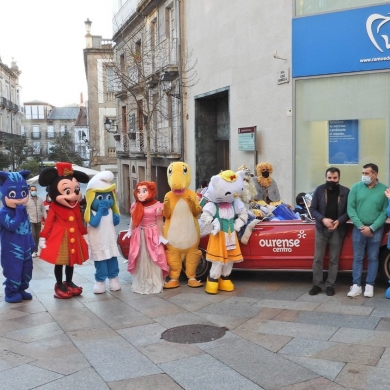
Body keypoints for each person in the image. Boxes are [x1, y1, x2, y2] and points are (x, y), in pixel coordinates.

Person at [38, 162, 90, 299]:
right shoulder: (55, 207)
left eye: (76, 191)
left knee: (70, 261)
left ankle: (69, 281)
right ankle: (59, 284)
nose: (73, 196)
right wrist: (43, 237)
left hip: (74, 236)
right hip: (60, 238)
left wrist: (84, 234)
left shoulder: (76, 207)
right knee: (60, 262)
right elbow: (48, 223)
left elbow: (79, 221)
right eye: (68, 191)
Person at [347, 163, 388, 298]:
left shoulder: (384, 190)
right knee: (358, 258)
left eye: (366, 173)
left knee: (373, 257)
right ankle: (356, 285)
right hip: (359, 228)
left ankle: (370, 285)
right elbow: (351, 209)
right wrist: (360, 226)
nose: (363, 176)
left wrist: (372, 227)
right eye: (363, 173)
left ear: (375, 174)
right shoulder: (356, 188)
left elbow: (384, 212)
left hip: (375, 229)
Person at [308, 167, 349, 296]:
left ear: (339, 178)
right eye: (329, 178)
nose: (332, 180)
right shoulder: (319, 190)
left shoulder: (346, 191)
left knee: (334, 260)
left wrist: (339, 221)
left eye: (334, 178)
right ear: (326, 177)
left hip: (337, 230)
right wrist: (323, 219)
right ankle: (317, 285)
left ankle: (330, 285)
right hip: (321, 228)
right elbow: (313, 209)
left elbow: (349, 211)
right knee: (318, 259)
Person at [123, 181, 169, 294]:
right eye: (139, 191)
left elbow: (159, 221)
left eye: (144, 191)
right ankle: (142, 280)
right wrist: (130, 230)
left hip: (152, 233)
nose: (141, 194)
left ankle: (154, 280)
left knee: (154, 256)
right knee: (141, 257)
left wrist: (160, 236)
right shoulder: (136, 205)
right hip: (140, 234)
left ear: (151, 192)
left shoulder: (157, 205)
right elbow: (134, 219)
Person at [84, 171, 121, 294]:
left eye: (108, 197)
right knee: (101, 264)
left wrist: (116, 218)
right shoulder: (91, 213)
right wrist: (99, 211)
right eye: (100, 198)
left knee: (112, 262)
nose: (106, 201)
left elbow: (114, 222)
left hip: (110, 242)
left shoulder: (111, 210)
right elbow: (94, 223)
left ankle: (114, 279)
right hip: (99, 243)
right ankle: (100, 281)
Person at [26, 185, 47, 257]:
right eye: (32, 190)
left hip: (38, 220)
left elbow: (43, 210)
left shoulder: (40, 200)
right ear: (29, 191)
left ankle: (36, 251)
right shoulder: (27, 200)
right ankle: (32, 251)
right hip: (31, 220)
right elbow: (24, 210)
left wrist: (46, 218)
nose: (33, 191)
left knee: (37, 236)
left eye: (34, 190)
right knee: (33, 235)